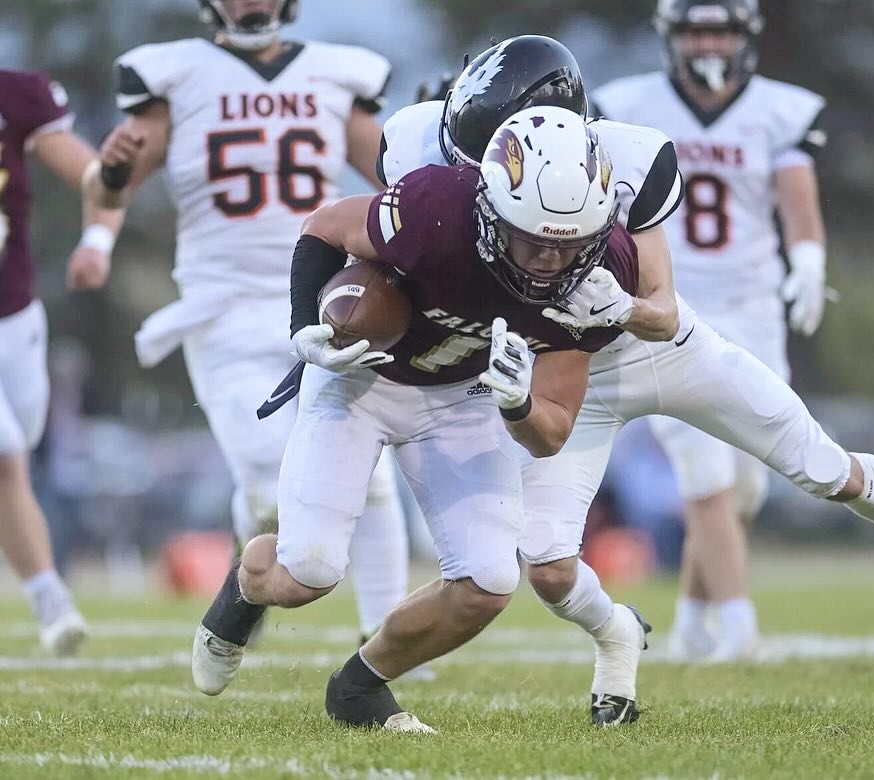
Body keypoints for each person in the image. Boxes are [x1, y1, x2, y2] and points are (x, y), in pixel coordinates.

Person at [384, 36, 874, 727]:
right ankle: (616, 636)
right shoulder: (424, 150)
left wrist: (624, 307)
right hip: (566, 369)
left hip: (661, 353)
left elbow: (664, 314)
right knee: (548, 566)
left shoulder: (630, 157)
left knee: (823, 469)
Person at [192, 106, 646, 732]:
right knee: (308, 572)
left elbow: (554, 429)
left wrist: (517, 402)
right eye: (533, 239)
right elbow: (325, 226)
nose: (547, 260)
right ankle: (244, 589)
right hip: (362, 378)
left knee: (488, 581)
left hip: (461, 395)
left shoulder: (603, 276)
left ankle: (359, 690)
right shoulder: (438, 208)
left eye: (567, 244)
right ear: (492, 212)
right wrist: (304, 329)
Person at [86, 0, 409, 644]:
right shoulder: (174, 73)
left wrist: (437, 140)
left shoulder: (335, 73)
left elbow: (398, 175)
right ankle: (245, 577)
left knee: (367, 472)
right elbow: (109, 189)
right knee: (265, 483)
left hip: (324, 297)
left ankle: (391, 644)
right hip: (224, 306)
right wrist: (111, 180)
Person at [594, 0, 829, 661]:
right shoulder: (628, 103)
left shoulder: (778, 110)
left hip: (753, 305)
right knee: (702, 468)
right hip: (669, 304)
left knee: (749, 480)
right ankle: (738, 629)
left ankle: (695, 617)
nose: (710, 42)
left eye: (721, 29)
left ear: (744, 36)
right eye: (698, 29)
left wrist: (808, 257)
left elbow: (795, 192)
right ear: (672, 36)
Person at [0, 68, 125, 655]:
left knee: (15, 455)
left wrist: (99, 233)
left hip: (16, 312)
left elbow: (94, 177)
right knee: (4, 452)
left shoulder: (18, 93)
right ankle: (52, 599)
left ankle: (44, 593)